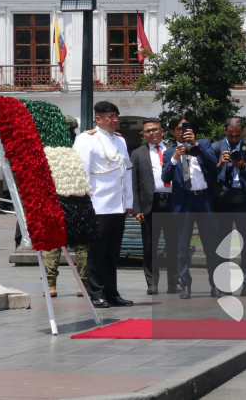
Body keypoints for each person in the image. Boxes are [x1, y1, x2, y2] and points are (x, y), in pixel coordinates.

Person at [73, 101, 134, 309]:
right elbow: (82, 172)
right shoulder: (86, 139)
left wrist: (128, 201)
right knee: (96, 253)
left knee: (112, 252)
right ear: (98, 119)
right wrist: (84, 203)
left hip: (117, 205)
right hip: (97, 205)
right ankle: (96, 292)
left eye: (116, 116)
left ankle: (111, 292)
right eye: (110, 117)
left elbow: (126, 172)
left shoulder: (120, 140)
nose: (114, 120)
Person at [162, 116, 221, 299]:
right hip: (184, 201)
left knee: (211, 245)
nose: (184, 131)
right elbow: (165, 178)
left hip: (204, 199)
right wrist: (175, 158)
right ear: (173, 131)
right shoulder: (169, 152)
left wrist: (195, 144)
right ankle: (185, 285)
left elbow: (213, 163)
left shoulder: (203, 144)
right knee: (182, 248)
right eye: (180, 128)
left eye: (186, 127)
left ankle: (215, 285)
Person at [130, 118, 179, 295]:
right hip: (150, 205)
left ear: (162, 131)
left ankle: (173, 282)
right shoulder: (138, 154)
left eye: (154, 129)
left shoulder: (174, 149)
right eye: (147, 131)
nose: (151, 133)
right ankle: (152, 283)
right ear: (143, 135)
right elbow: (133, 183)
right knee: (150, 246)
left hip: (172, 203)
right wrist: (136, 208)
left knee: (174, 245)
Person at [214, 117, 246, 297]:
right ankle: (223, 284)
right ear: (225, 131)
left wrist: (243, 166)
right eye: (230, 135)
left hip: (243, 201)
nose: (234, 139)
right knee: (222, 245)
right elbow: (210, 175)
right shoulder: (216, 147)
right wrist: (221, 164)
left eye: (237, 136)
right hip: (223, 201)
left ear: (242, 133)